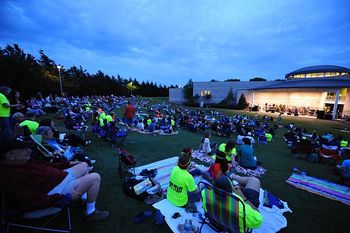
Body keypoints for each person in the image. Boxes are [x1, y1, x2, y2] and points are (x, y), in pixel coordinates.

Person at [0, 138, 109, 222]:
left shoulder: (22, 161)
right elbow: (32, 201)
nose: (29, 150)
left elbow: (46, 165)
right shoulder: (11, 176)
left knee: (84, 164)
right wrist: (67, 197)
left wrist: (69, 163)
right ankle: (90, 212)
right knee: (95, 177)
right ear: (10, 155)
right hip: (55, 192)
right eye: (24, 149)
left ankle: (84, 200)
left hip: (59, 179)